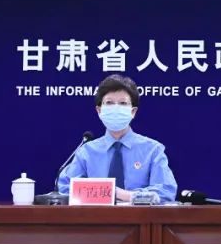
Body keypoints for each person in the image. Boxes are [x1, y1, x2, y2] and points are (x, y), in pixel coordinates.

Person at [59, 74, 177, 203]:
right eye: (109, 103)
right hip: (95, 215)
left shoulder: (152, 150)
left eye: (123, 103)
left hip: (139, 216)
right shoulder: (86, 152)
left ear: (133, 112)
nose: (116, 108)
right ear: (99, 111)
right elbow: (65, 190)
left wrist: (122, 195)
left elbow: (166, 192)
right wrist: (103, 192)